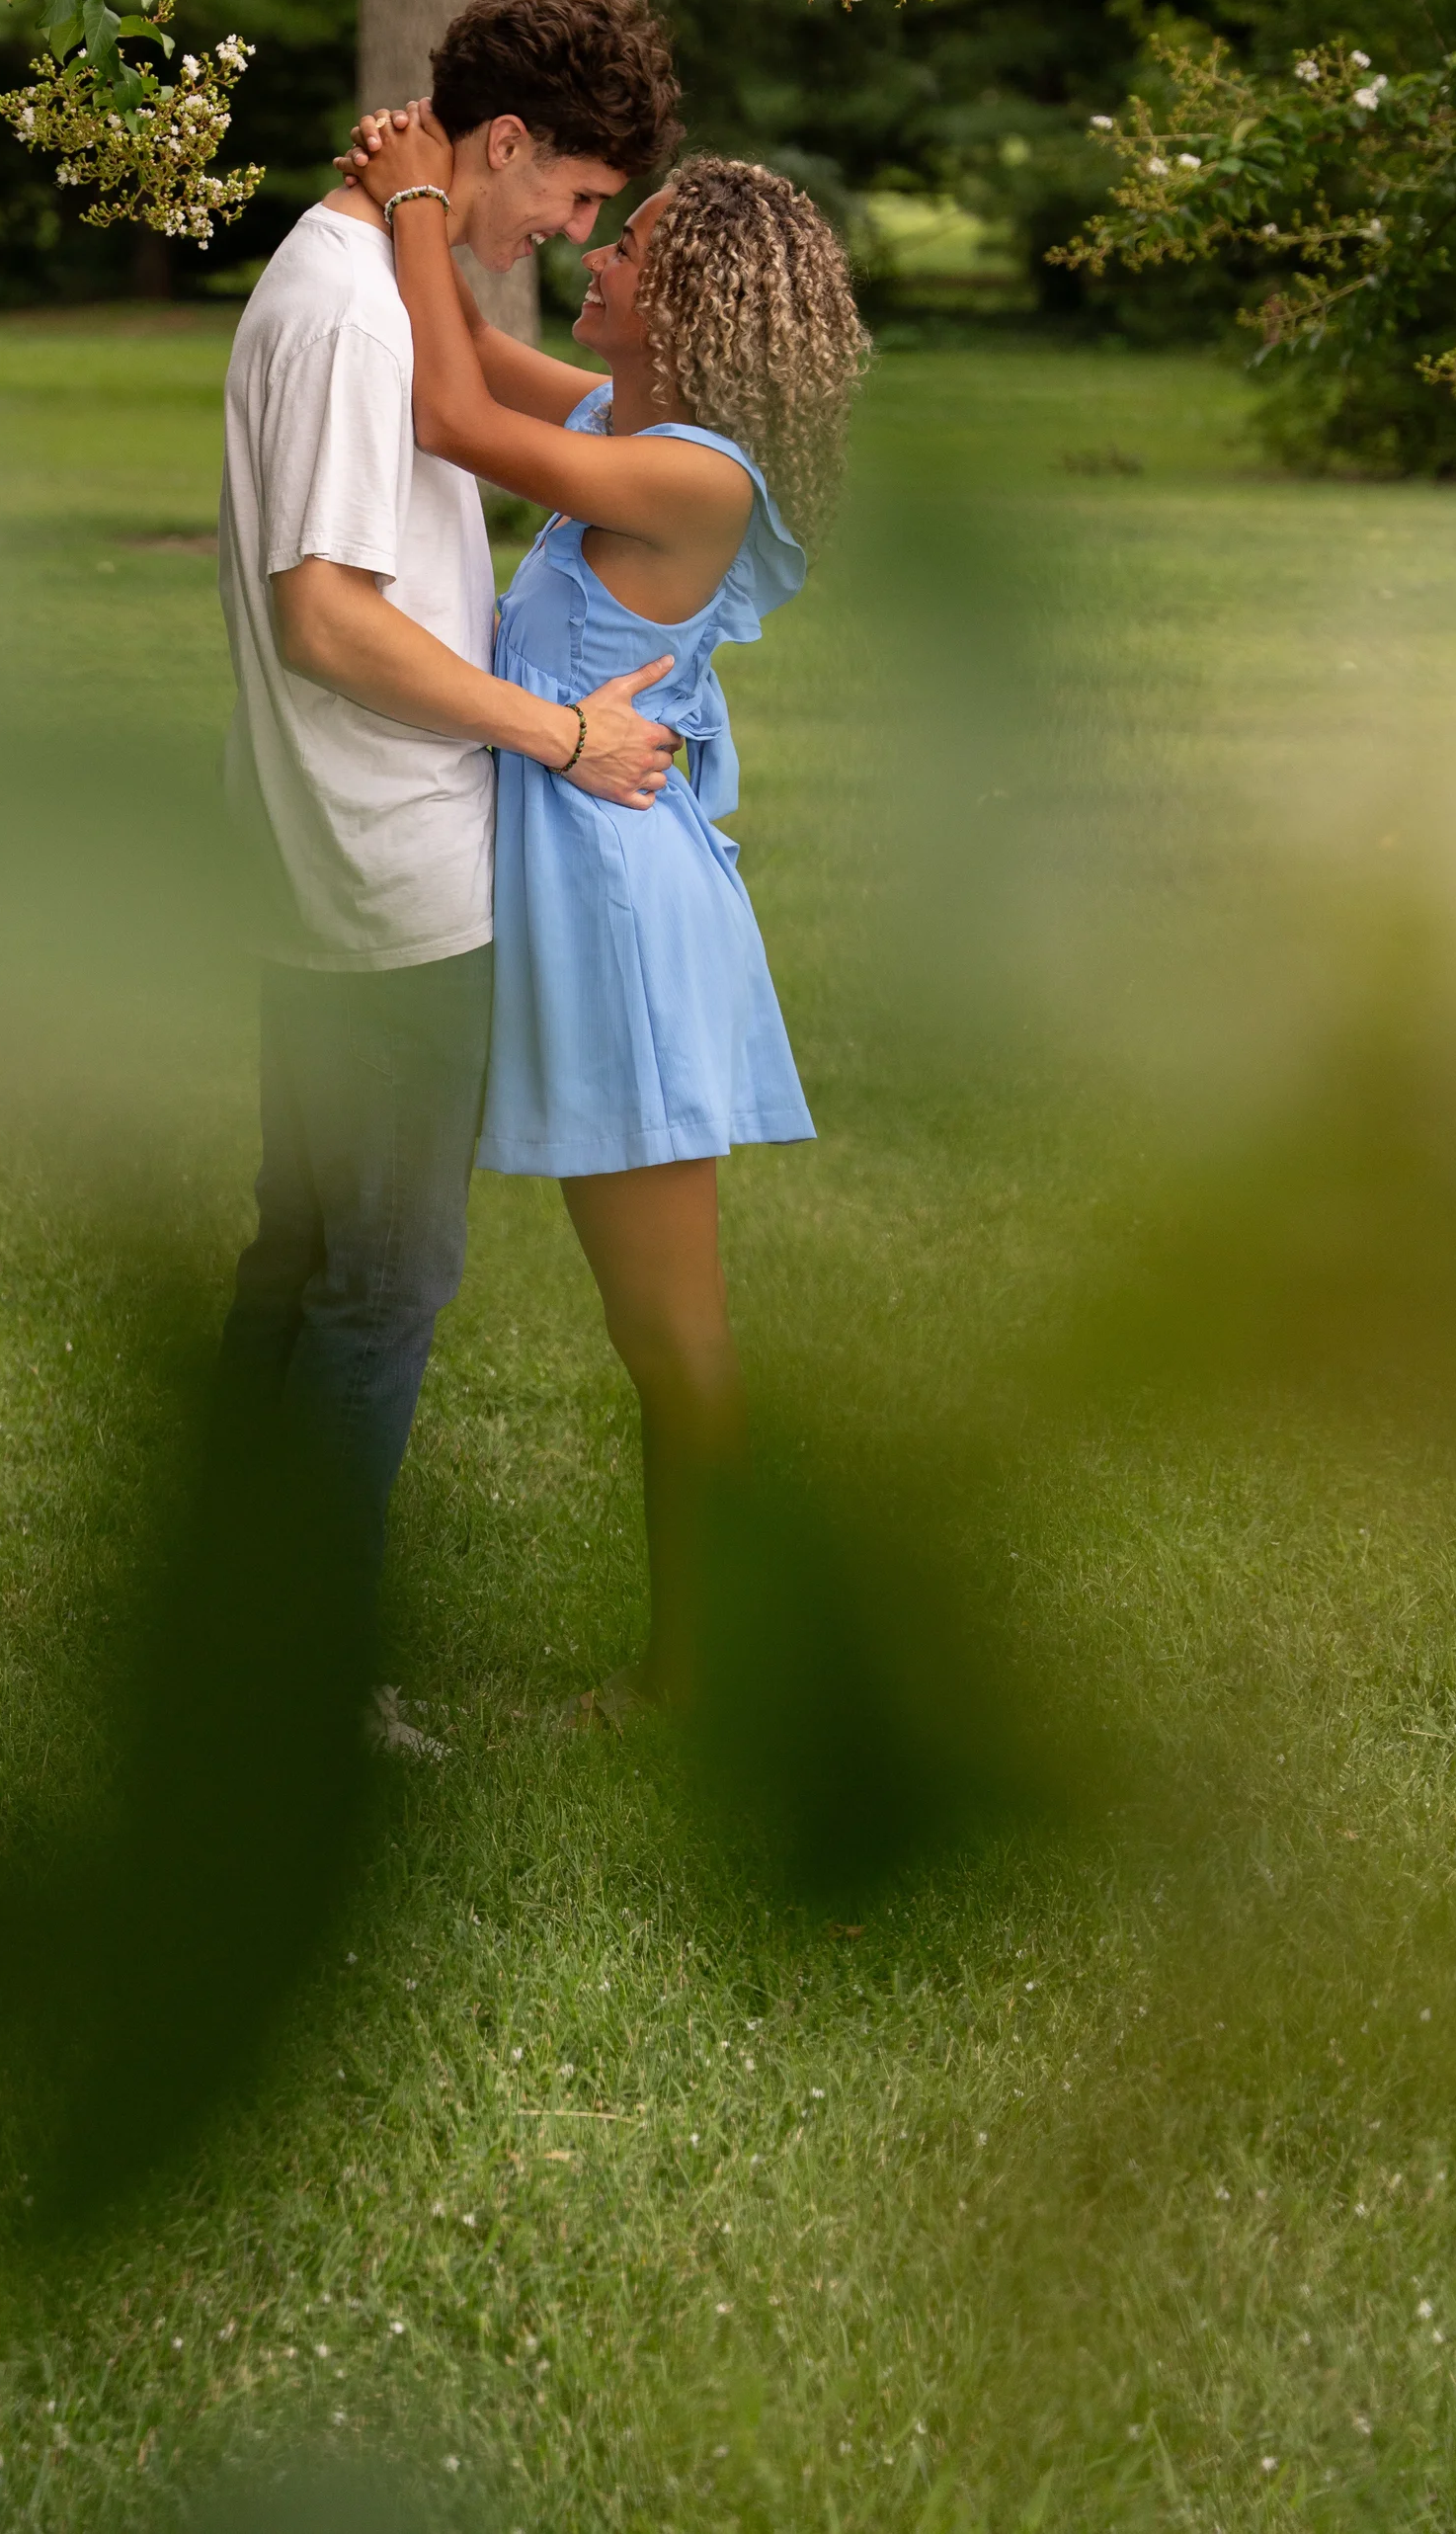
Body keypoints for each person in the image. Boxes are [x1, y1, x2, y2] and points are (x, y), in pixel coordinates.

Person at [214, 0, 686, 1755]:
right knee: (381, 1283)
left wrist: (417, 207)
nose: (570, 228)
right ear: (502, 141)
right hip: (392, 874)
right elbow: (332, 620)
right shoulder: (346, 317)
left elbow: (506, 401)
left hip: (320, 863)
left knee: (306, 1258)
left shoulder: (343, 276)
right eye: (569, 194)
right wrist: (561, 731)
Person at [346, 101, 868, 1719]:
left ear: (688, 300)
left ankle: (705, 1680)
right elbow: (476, 367)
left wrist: (422, 193)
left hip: (629, 925)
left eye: (627, 243)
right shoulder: (628, 425)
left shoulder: (685, 479)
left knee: (671, 1338)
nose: (594, 241)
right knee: (656, 1332)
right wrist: (392, 232)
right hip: (590, 876)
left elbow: (443, 404)